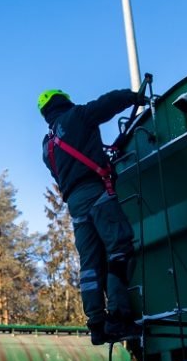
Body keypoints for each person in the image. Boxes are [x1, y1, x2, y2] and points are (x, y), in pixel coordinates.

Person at [38, 88, 146, 345]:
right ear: (63, 100)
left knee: (90, 265)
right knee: (119, 247)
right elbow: (106, 104)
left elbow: (62, 174)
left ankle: (97, 325)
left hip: (75, 206)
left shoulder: (47, 146)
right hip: (95, 192)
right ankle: (119, 317)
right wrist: (133, 97)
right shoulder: (77, 116)